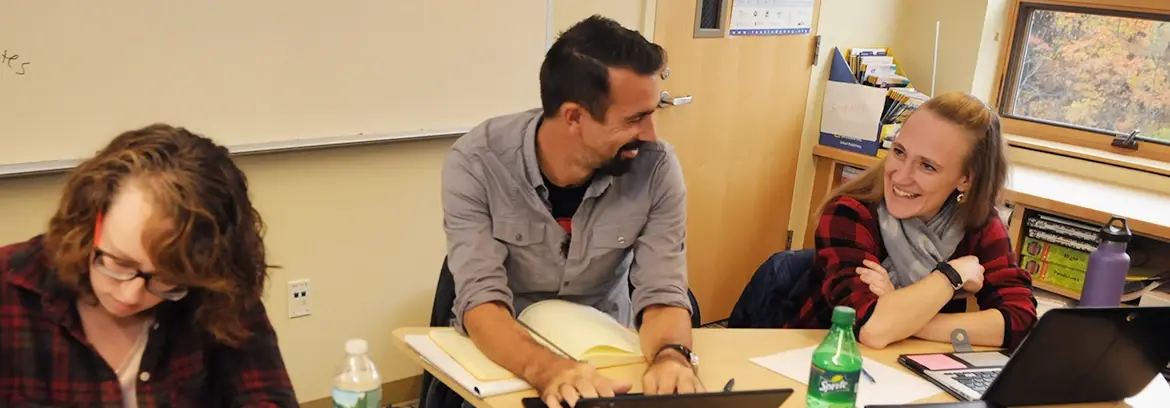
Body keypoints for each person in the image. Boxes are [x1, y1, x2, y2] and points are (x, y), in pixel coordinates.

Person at [441, 15, 699, 407]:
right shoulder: (477, 162)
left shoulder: (656, 167)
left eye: (654, 110)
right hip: (512, 352)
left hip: (607, 350)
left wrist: (671, 357)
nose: (651, 134)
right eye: (635, 119)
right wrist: (549, 370)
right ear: (574, 117)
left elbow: (662, 290)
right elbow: (482, 302)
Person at [0, 124, 298, 407]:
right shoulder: (11, 287)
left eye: (167, 280)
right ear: (90, 219)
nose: (130, 296)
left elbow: (268, 396)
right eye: (117, 262)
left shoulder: (215, 290)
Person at [787, 92, 1038, 350]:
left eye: (927, 166)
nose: (900, 176)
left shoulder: (978, 225)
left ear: (965, 179)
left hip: (906, 372)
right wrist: (951, 276)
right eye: (899, 152)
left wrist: (901, 313)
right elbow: (872, 328)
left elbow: (1020, 322)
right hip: (818, 363)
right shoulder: (850, 214)